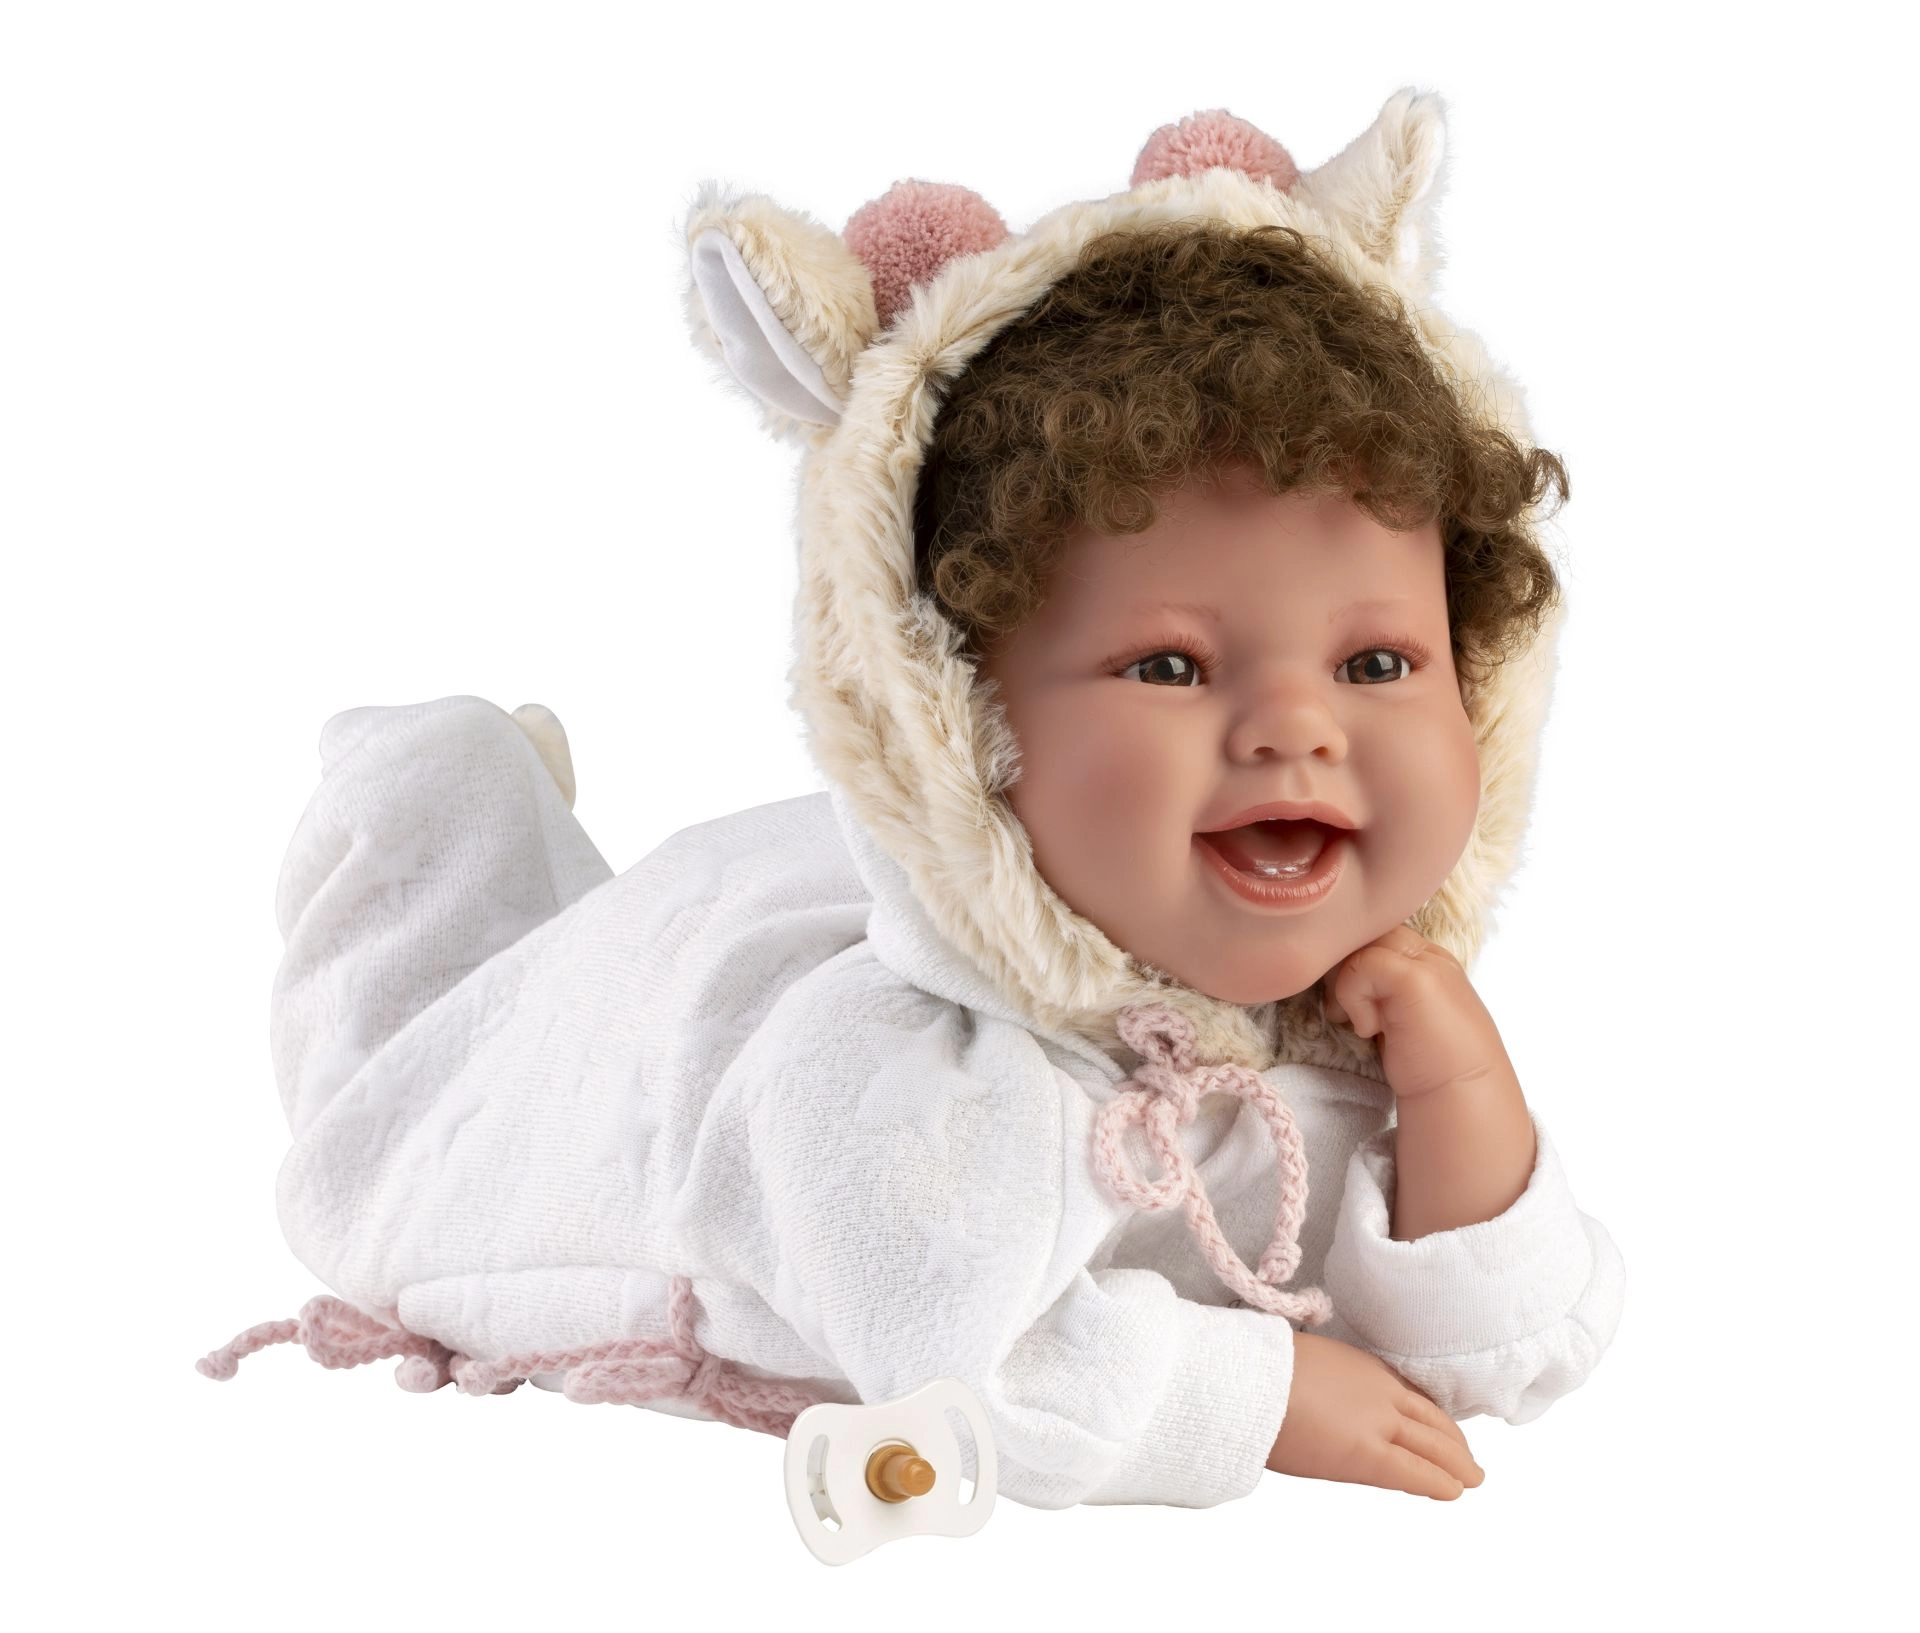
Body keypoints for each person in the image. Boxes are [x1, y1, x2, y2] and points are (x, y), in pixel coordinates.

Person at [200, 88, 1625, 1511]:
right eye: (1172, 667)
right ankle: (432, 780)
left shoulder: (1356, 1012)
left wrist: (1459, 1092)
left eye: (1377, 663)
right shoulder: (876, 1068)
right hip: (635, 1028)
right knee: (419, 1031)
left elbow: (1505, 1352)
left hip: (785, 874)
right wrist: (1253, 1397)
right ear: (953, 711)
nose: (1298, 729)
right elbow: (954, 1352)